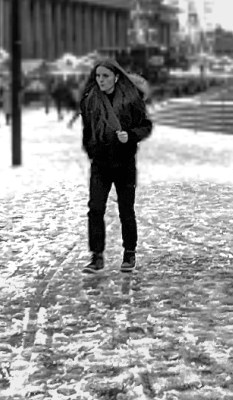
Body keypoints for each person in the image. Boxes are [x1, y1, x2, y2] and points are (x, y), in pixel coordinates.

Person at [79, 60, 152, 275]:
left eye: (105, 76)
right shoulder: (91, 101)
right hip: (100, 164)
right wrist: (92, 150)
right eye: (98, 76)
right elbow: (87, 130)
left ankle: (129, 252)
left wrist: (130, 136)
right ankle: (97, 256)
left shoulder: (131, 100)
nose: (100, 80)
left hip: (124, 163)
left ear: (116, 77)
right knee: (95, 208)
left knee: (126, 209)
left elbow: (146, 126)